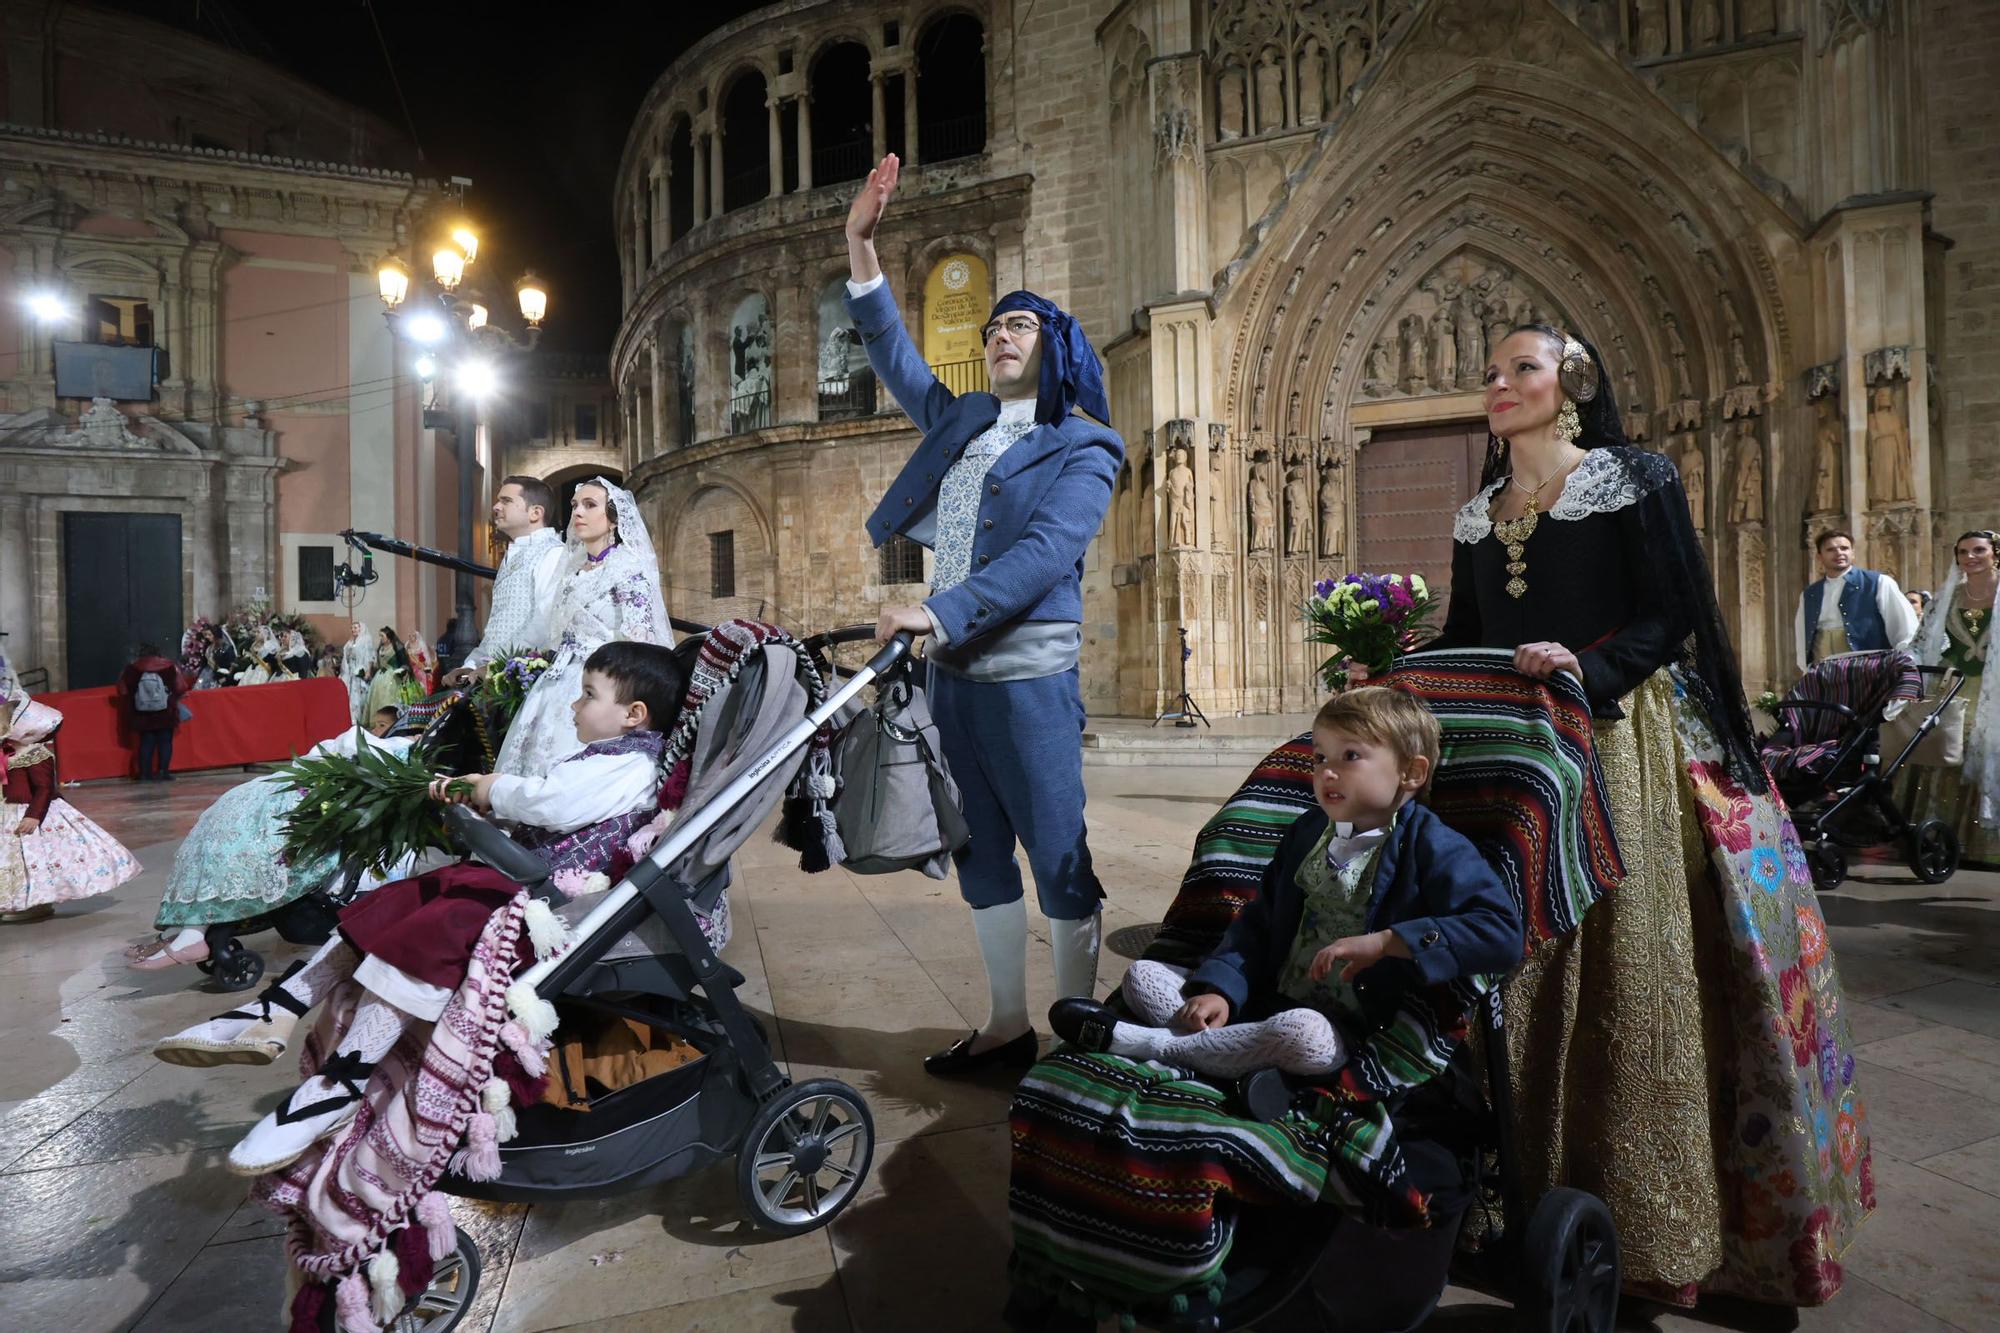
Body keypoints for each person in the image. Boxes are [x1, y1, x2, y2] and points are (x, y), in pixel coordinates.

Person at [1429, 323, 1871, 1307]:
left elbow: (1670, 610)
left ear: (1572, 383)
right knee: (1505, 961)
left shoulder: (1630, 478)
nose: (1498, 383)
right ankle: (1511, 1187)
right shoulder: (1474, 514)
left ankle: (1658, 1219)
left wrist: (1586, 670)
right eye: (1490, 372)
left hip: (1620, 738)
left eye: (1521, 368)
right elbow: (1468, 634)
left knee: (1642, 968)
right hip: (1513, 749)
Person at [151, 641, 684, 1173]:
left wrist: (491, 786)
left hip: (542, 901)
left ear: (634, 715)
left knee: (421, 940)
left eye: (588, 695)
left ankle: (339, 1084)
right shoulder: (611, 757)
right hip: (517, 880)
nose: (573, 705)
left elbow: (553, 801)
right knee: (388, 906)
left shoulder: (630, 763)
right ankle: (276, 1010)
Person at [846, 154, 1122, 1075]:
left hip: (1028, 680)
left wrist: (938, 608)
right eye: (996, 322)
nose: (1002, 332)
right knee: (983, 859)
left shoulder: (1084, 445)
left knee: (1059, 859)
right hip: (951, 682)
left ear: (1055, 347)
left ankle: (1075, 1031)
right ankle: (1009, 1025)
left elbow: (1047, 556)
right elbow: (895, 357)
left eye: (1021, 324)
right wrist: (862, 246)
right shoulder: (961, 420)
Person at [1049, 688, 1521, 1079]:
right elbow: (1256, 925)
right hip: (1266, 1003)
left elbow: (1501, 932)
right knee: (1143, 976)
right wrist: (1219, 990)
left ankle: (1150, 1046)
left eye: (1350, 756)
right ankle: (1222, 1052)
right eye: (1319, 757)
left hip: (1342, 1025)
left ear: (1411, 772)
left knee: (1303, 1037)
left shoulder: (1433, 845)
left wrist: (1387, 943)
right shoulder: (1307, 832)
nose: (1326, 772)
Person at [125, 719, 418, 970]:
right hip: (305, 781)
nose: (379, 728)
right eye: (378, 724)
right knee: (226, 819)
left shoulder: (405, 754)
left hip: (321, 789)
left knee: (245, 837)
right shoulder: (390, 745)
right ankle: (192, 927)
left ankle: (194, 931)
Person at [492, 477, 672, 779]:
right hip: (557, 681)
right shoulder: (572, 570)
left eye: (590, 505)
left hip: (602, 681)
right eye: (575, 505)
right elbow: (556, 631)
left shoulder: (626, 568)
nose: (578, 512)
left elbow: (641, 640)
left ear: (613, 519)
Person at [1902, 530, 2000, 865]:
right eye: (1963, 552)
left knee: (1985, 748)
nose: (1970, 557)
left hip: (1993, 689)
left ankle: (1984, 844)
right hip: (1951, 686)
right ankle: (1941, 837)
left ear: (1995, 553)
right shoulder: (1949, 596)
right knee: (1944, 750)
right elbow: (1920, 643)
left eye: (1979, 550)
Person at [1, 698, 140, 923]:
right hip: (6, 811)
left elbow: (44, 788)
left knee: (37, 857)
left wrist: (34, 815)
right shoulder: (6, 752)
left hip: (29, 812)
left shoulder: (36, 755)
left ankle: (35, 902)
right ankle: (17, 900)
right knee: (12, 859)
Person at [444, 476, 569, 688]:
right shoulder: (514, 553)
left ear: (535, 513)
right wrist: (472, 664)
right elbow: (498, 627)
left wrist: (496, 666)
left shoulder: (554, 553)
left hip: (528, 679)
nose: (496, 506)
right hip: (496, 676)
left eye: (506, 501)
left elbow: (544, 622)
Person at [1793, 529, 1919, 673]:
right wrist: (1806, 670)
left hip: (1870, 669)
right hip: (1823, 671)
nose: (1839, 553)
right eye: (1831, 549)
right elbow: (1802, 635)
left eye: (1844, 548)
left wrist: (1904, 665)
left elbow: (1905, 628)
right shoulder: (1809, 594)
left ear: (1852, 553)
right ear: (1819, 557)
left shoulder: (1878, 582)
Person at [119, 643, 187, 781]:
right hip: (165, 712)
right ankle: (163, 772)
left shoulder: (132, 669)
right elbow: (181, 687)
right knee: (165, 742)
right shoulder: (168, 667)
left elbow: (122, 690)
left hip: (142, 713)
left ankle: (145, 774)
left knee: (146, 743)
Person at [362, 626, 414, 720]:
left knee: (389, 697)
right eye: (380, 636)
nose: (381, 638)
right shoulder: (381, 648)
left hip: (392, 676)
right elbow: (379, 663)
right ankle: (378, 719)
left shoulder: (397, 646)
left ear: (388, 636)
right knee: (377, 698)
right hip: (380, 676)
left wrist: (403, 671)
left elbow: (404, 662)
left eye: (382, 636)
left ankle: (390, 718)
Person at [339, 621, 371, 721]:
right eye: (352, 628)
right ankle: (352, 718)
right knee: (350, 695)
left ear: (360, 629)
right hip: (350, 671)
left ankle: (360, 718)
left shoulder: (365, 641)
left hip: (360, 670)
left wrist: (368, 671)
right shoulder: (350, 642)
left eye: (355, 628)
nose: (353, 630)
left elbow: (370, 657)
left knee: (360, 695)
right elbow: (346, 656)